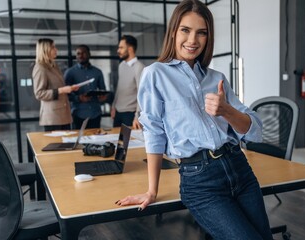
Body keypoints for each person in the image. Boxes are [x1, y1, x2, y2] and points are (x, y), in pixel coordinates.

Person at [115, 1, 273, 239]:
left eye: (201, 33)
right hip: (200, 180)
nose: (193, 40)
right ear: (173, 32)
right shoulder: (155, 74)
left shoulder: (217, 78)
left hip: (239, 168)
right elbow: (154, 133)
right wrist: (152, 190)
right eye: (185, 30)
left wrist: (227, 111)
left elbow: (255, 131)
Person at [33, 38, 79, 132]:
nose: (56, 50)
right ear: (45, 50)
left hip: (63, 115)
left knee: (67, 145)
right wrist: (61, 90)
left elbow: (59, 86)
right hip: (52, 118)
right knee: (57, 146)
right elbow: (39, 93)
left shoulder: (54, 66)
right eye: (53, 47)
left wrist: (70, 89)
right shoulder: (40, 68)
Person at [64, 44, 108, 129]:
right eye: (78, 53)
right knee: (78, 141)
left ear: (89, 54)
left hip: (95, 114)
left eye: (83, 53)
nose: (81, 56)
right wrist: (79, 98)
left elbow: (103, 90)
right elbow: (66, 95)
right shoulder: (70, 73)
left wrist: (103, 97)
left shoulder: (97, 72)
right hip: (78, 115)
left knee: (96, 141)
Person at [111, 35, 145, 129]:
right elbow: (119, 88)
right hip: (118, 113)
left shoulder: (139, 67)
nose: (118, 50)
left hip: (130, 114)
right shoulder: (121, 65)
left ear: (130, 49)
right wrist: (114, 106)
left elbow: (141, 94)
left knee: (129, 143)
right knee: (117, 142)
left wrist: (137, 116)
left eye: (121, 48)